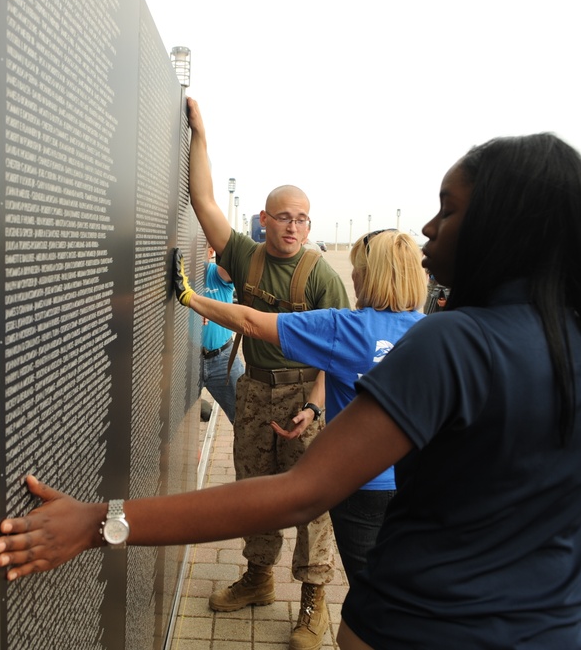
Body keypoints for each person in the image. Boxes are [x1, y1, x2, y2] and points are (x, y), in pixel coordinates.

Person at [0, 133, 581, 649]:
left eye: (448, 209)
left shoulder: (450, 346)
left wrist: (100, 521)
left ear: (506, 227)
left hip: (418, 627)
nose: (426, 227)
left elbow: (299, 492)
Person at [187, 97, 351, 650]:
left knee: (311, 502)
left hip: (305, 399)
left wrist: (316, 406)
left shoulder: (322, 277)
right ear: (264, 218)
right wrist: (200, 135)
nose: (294, 226)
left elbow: (341, 353)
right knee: (255, 490)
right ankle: (258, 578)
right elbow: (204, 200)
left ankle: (312, 601)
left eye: (303, 218)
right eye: (284, 216)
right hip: (255, 393)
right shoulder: (244, 255)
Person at [174, 228, 426, 580]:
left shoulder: (347, 328)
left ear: (369, 276)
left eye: (358, 269)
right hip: (421, 484)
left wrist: (189, 297)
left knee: (370, 588)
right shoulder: (436, 331)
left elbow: (251, 322)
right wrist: (314, 408)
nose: (352, 276)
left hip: (363, 487)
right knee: (405, 581)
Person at [199, 246, 244, 423]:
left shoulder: (217, 275)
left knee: (244, 417)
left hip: (223, 360)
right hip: (186, 361)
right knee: (177, 427)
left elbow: (232, 254)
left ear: (210, 252)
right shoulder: (178, 280)